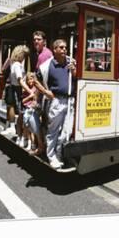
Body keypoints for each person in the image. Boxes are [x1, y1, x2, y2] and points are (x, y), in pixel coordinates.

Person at [36, 39, 77, 169]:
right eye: (61, 47)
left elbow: (77, 78)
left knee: (66, 131)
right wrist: (45, 92)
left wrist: (74, 71)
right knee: (53, 131)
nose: (64, 49)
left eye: (65, 47)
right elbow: (35, 79)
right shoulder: (47, 66)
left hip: (70, 101)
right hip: (56, 101)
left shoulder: (71, 62)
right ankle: (51, 156)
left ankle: (59, 154)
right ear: (55, 50)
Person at [1, 45, 30, 140]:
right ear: (20, 55)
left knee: (11, 106)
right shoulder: (17, 65)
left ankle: (12, 127)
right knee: (20, 110)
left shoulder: (13, 63)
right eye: (24, 55)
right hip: (17, 88)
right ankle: (17, 130)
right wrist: (29, 91)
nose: (24, 57)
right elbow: (20, 80)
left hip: (12, 87)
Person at [22, 72, 44, 155]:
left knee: (35, 128)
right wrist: (30, 97)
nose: (30, 81)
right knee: (29, 127)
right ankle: (32, 143)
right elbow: (23, 101)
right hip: (29, 109)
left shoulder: (37, 88)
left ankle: (38, 145)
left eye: (31, 79)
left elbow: (36, 100)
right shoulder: (26, 89)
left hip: (36, 110)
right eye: (28, 79)